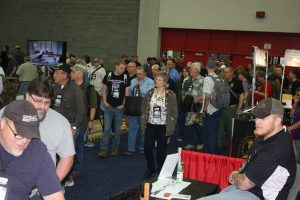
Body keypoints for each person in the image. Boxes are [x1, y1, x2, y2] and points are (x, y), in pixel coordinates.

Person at [198, 98, 296, 200]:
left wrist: (234, 175)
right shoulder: (271, 134)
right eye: (257, 117)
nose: (257, 121)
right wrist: (240, 175)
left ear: (278, 120)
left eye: (263, 118)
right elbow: (247, 166)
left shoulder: (276, 149)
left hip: (259, 196)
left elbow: (244, 184)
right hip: (247, 190)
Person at [0, 100, 65, 199]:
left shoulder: (37, 152)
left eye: (30, 135)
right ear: (2, 124)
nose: (24, 141)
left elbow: (54, 196)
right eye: (19, 135)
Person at [141, 71, 178, 179]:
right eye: (156, 79)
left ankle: (161, 169)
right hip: (151, 124)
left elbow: (175, 112)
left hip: (163, 126)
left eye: (159, 79)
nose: (157, 81)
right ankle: (151, 167)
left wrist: (172, 122)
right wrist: (143, 117)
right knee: (147, 148)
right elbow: (143, 107)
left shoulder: (170, 94)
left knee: (161, 152)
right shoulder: (150, 92)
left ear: (165, 82)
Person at [98, 59, 130, 158]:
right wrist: (104, 101)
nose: (123, 70)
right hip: (109, 106)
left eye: (124, 68)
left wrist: (123, 104)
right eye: (121, 68)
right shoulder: (108, 76)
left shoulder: (125, 77)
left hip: (119, 107)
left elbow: (127, 92)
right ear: (116, 66)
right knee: (106, 129)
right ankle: (103, 149)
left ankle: (115, 148)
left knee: (117, 130)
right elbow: (104, 90)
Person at [71, 64, 97, 178]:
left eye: (73, 72)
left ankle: (75, 169)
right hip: (68, 122)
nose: (71, 74)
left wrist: (91, 120)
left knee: (78, 146)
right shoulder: (68, 87)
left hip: (82, 123)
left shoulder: (89, 89)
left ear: (79, 74)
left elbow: (93, 106)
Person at [123, 66, 155, 156]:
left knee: (143, 130)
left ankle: (142, 147)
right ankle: (130, 148)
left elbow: (150, 94)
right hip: (133, 108)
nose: (138, 76)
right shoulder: (133, 81)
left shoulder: (150, 82)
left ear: (145, 73)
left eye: (140, 74)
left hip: (144, 109)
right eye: (137, 74)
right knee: (132, 129)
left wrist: (139, 87)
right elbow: (128, 94)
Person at [180, 62, 204, 151]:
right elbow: (183, 92)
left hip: (197, 105)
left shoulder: (203, 80)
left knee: (198, 125)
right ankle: (191, 143)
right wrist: (184, 103)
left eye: (191, 69)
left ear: (197, 70)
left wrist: (199, 98)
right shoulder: (186, 80)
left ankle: (200, 142)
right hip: (187, 105)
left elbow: (207, 94)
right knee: (188, 125)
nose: (189, 70)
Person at [201, 60, 223, 154]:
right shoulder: (219, 78)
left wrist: (205, 109)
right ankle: (212, 152)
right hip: (218, 108)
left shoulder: (208, 79)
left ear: (206, 67)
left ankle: (210, 153)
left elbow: (207, 96)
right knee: (214, 132)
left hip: (210, 110)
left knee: (210, 133)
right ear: (215, 68)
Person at [289, 87, 300, 164]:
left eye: (298, 95)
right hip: (296, 134)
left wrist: (290, 128)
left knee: (299, 158)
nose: (296, 96)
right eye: (296, 94)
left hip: (299, 135)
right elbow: (291, 115)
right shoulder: (298, 106)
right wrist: (295, 103)